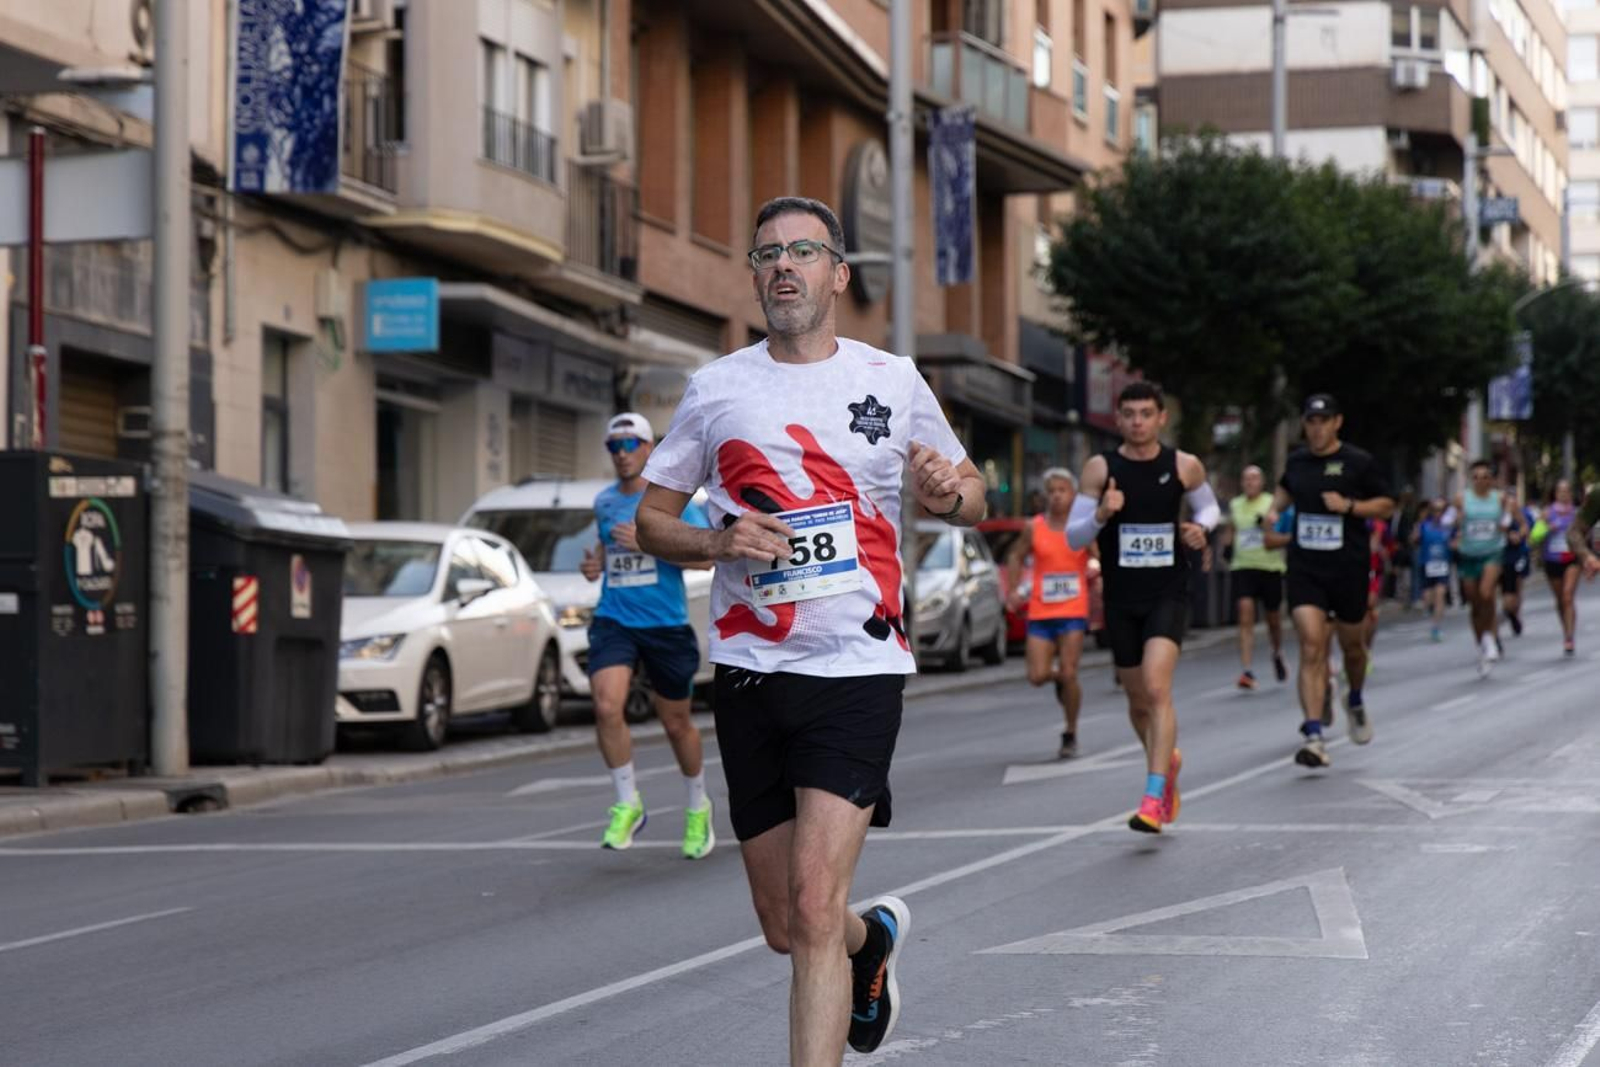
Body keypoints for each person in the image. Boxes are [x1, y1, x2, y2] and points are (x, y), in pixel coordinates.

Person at [634, 196, 987, 1063]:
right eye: (768, 254)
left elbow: (972, 495)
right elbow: (650, 520)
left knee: (815, 902)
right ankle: (873, 947)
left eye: (803, 250)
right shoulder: (716, 390)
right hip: (752, 669)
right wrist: (717, 539)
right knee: (787, 924)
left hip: (858, 666)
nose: (784, 265)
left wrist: (950, 493)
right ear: (754, 275)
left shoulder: (892, 378)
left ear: (839, 272)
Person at [1068, 381, 1220, 833]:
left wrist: (1200, 529)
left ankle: (1154, 795)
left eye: (1145, 413)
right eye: (1129, 413)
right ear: (1118, 419)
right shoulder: (1101, 469)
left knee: (1156, 688)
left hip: (1168, 591)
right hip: (1121, 597)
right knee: (1137, 701)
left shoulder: (1183, 465)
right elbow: (1073, 537)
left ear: (1160, 418)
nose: (1137, 421)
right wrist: (1100, 513)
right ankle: (1165, 758)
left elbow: (1210, 510)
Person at [577, 413, 716, 858]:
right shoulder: (603, 502)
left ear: (649, 448)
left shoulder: (674, 503)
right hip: (614, 618)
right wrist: (595, 564)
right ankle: (627, 802)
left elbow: (707, 557)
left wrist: (651, 543)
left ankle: (698, 808)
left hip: (665, 624)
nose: (621, 454)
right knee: (605, 705)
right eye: (613, 447)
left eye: (629, 444)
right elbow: (606, 547)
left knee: (676, 723)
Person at [1273, 394, 1395, 768]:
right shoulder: (1296, 462)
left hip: (1349, 568)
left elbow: (1387, 504)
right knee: (1311, 645)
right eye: (1311, 421)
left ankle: (1353, 697)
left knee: (1352, 647)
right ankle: (1313, 735)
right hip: (1306, 567)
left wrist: (1351, 507)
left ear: (1337, 423)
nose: (1318, 428)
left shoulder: (1358, 462)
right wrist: (1269, 513)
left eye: (1324, 420)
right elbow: (1282, 495)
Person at [1005, 468, 1095, 758]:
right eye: (1052, 491)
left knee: (1070, 672)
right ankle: (1060, 681)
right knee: (1036, 675)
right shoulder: (1035, 526)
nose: (1057, 496)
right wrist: (1015, 589)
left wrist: (1097, 571)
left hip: (1073, 608)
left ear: (1073, 494)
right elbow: (1016, 555)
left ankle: (1070, 732)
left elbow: (1097, 555)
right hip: (1041, 609)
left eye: (1063, 490)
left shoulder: (1081, 527)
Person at [1451, 461, 1518, 678]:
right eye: (1477, 477)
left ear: (1491, 480)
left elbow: (1520, 523)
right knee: (1474, 602)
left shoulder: (1500, 499)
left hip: (1492, 553)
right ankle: (1482, 641)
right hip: (1468, 554)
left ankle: (1489, 637)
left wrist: (1515, 532)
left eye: (1485, 477)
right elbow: (1449, 522)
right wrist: (1455, 532)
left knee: (1486, 593)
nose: (1481, 481)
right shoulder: (1462, 499)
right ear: (1472, 480)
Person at [1224, 465, 1288, 690]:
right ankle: (1247, 670)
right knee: (1245, 612)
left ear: (1262, 482)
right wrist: (1227, 547)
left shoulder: (1272, 502)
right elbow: (1231, 530)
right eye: (1246, 479)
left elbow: (1282, 529)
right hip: (1243, 566)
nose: (1250, 483)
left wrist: (1270, 525)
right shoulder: (1235, 505)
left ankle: (1277, 651)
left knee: (1273, 619)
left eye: (1254, 479)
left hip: (1270, 566)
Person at [1542, 480, 1583, 656]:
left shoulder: (1577, 514)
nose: (1563, 494)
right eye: (1560, 491)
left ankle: (1569, 636)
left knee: (1567, 596)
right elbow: (1534, 537)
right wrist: (1545, 528)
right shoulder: (1546, 513)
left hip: (1572, 559)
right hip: (1552, 560)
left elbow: (1585, 535)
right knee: (1560, 600)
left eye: (1567, 491)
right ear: (1554, 493)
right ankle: (1565, 628)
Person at [1412, 498, 1453, 642]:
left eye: (1441, 510)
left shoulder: (1448, 527)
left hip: (1442, 564)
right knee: (1429, 598)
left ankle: (1436, 627)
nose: (1438, 513)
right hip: (1427, 564)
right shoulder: (1424, 526)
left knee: (1440, 594)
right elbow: (1414, 541)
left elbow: (1454, 543)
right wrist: (1415, 535)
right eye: (1436, 510)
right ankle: (1430, 609)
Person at [1501, 495, 1537, 637]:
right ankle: (1510, 612)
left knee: (1517, 586)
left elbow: (1527, 529)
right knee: (1506, 590)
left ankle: (1515, 614)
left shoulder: (1523, 514)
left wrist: (1519, 535)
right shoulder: (1502, 516)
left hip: (1519, 555)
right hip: (1503, 556)